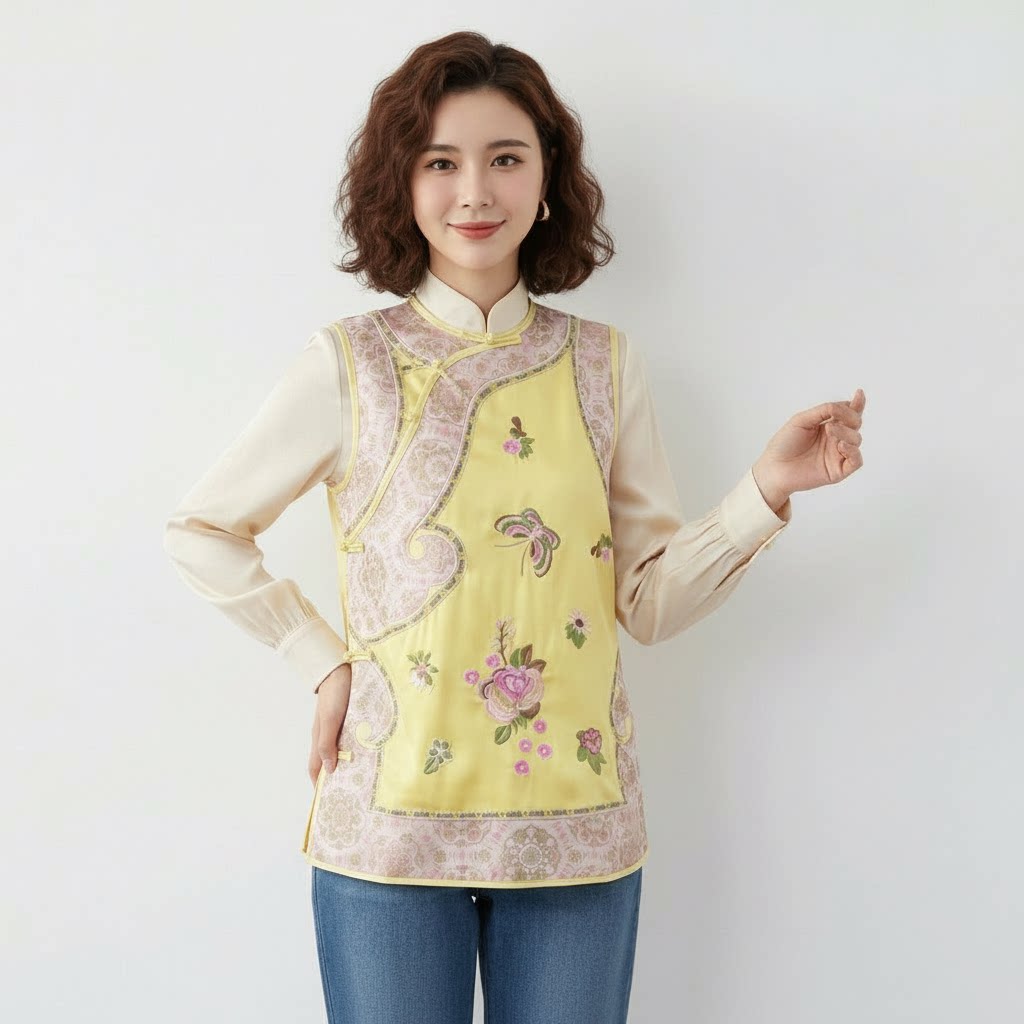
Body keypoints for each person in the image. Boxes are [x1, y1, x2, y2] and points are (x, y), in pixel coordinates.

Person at [163, 29, 866, 1024]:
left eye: (505, 159)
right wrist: (319, 660)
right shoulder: (349, 366)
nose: (474, 193)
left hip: (577, 833)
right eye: (440, 162)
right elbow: (202, 527)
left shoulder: (605, 365)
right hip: (387, 837)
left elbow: (647, 604)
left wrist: (764, 489)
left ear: (546, 182)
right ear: (402, 183)